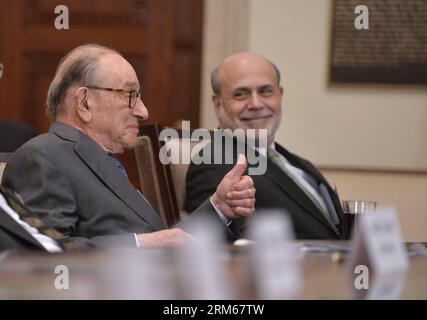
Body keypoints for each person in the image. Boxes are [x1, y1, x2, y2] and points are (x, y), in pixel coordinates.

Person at [1, 44, 255, 249]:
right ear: (84, 102)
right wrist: (140, 245)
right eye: (130, 95)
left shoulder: (99, 160)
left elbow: (167, 243)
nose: (144, 112)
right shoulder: (44, 157)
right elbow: (42, 255)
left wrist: (218, 208)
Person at [185, 52, 343, 240]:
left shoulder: (299, 164)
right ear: (218, 105)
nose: (256, 104)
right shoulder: (214, 163)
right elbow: (215, 243)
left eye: (265, 91)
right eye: (240, 94)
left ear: (280, 95)